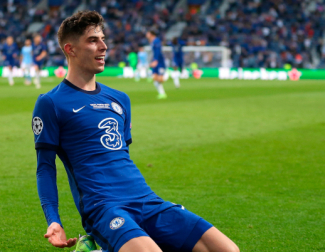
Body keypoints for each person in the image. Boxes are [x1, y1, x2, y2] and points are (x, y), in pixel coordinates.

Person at [32, 11, 240, 252]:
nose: (104, 46)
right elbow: (45, 167)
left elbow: (121, 156)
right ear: (71, 49)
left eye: (103, 39)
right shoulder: (51, 103)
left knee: (227, 250)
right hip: (104, 207)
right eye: (93, 40)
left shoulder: (120, 100)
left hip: (147, 200)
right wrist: (53, 220)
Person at [146, 30, 167, 99]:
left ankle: (167, 75)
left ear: (152, 34)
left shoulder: (156, 41)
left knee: (159, 79)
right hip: (156, 61)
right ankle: (162, 94)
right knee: (155, 78)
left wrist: (156, 60)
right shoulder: (152, 42)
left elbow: (158, 51)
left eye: (148, 33)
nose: (146, 35)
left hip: (159, 62)